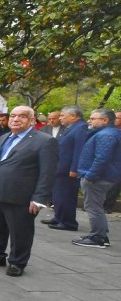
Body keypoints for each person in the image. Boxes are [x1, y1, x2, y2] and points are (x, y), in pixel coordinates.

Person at [0, 106, 57, 276]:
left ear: (32, 120)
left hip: (21, 197)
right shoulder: (4, 137)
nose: (15, 119)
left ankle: (17, 262)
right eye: (13, 115)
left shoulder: (44, 141)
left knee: (20, 231)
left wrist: (39, 199)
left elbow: (48, 173)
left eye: (22, 116)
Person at [72, 109, 121, 248]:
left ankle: (98, 238)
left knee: (93, 207)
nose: (89, 120)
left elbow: (102, 158)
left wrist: (90, 176)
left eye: (93, 118)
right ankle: (100, 234)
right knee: (96, 206)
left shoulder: (106, 135)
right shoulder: (109, 133)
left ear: (105, 120)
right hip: (102, 176)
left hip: (97, 178)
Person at [44, 106, 88, 232]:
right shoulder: (71, 128)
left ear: (73, 116)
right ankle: (59, 217)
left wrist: (75, 168)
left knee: (66, 196)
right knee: (58, 195)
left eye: (63, 115)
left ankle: (68, 222)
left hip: (68, 169)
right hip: (61, 167)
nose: (61, 118)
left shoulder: (81, 128)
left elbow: (79, 150)